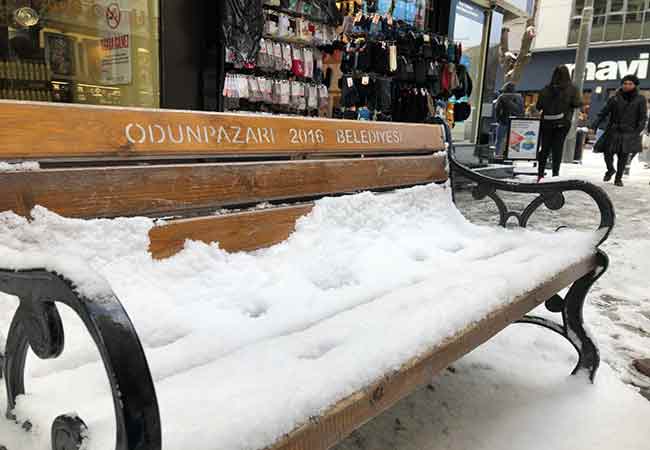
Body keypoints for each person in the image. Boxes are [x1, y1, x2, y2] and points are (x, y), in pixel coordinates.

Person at [591, 75, 648, 187]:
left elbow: (642, 117)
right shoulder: (615, 98)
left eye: (630, 84)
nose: (627, 86)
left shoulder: (640, 99)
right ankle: (611, 169)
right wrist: (595, 124)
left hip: (629, 131)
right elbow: (604, 112)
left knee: (623, 156)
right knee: (607, 153)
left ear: (635, 85)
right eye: (625, 83)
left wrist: (637, 131)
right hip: (613, 130)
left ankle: (618, 178)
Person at [535, 65, 582, 181]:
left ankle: (540, 174)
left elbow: (539, 106)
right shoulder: (572, 89)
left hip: (546, 122)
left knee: (544, 148)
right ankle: (555, 174)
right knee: (558, 148)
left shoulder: (546, 89)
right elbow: (577, 103)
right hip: (563, 122)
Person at [494, 82, 524, 158]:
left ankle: (498, 154)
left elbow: (497, 109)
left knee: (500, 140)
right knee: (514, 140)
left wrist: (498, 119)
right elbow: (521, 110)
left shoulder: (502, 97)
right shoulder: (520, 97)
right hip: (515, 122)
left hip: (503, 121)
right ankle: (512, 155)